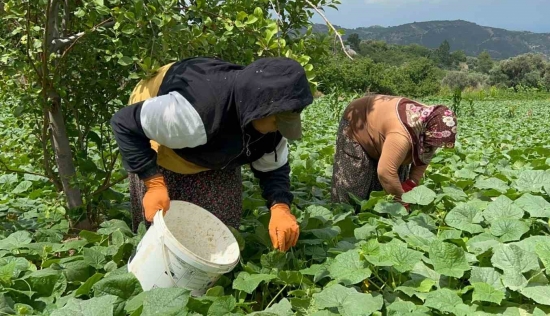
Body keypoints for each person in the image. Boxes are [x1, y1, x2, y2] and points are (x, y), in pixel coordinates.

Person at [110, 56, 313, 252]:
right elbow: (125, 124)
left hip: (215, 134)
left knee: (222, 225)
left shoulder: (269, 124)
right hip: (161, 126)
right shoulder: (192, 112)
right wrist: (152, 182)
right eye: (277, 122)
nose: (278, 129)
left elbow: (273, 168)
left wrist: (280, 206)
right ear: (259, 108)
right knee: (164, 227)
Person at [331, 94, 457, 207]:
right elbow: (385, 172)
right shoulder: (401, 135)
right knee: (354, 184)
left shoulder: (432, 119)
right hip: (358, 120)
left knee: (391, 185)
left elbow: (426, 152)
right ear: (426, 131)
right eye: (432, 142)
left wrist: (412, 182)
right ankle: (345, 220)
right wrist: (401, 200)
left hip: (384, 127)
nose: (434, 147)